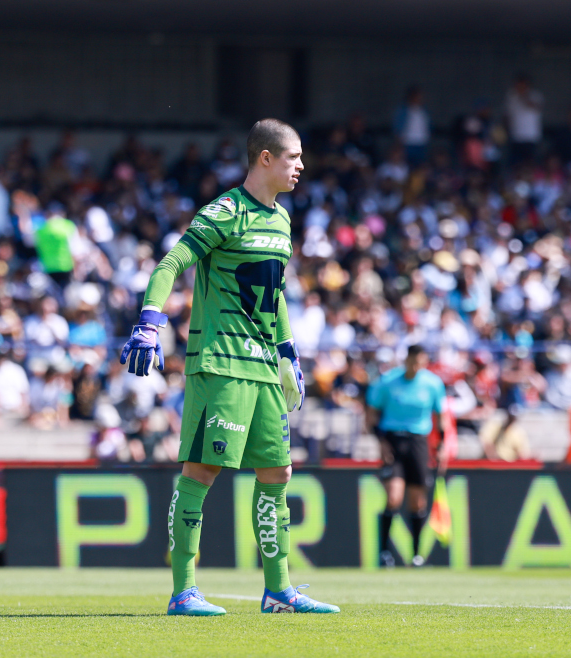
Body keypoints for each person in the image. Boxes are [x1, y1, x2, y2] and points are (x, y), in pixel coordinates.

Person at [120, 119, 337, 616]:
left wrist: (287, 351)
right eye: (293, 157)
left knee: (278, 472)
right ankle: (183, 592)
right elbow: (170, 264)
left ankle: (279, 591)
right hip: (220, 362)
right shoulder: (224, 212)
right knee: (202, 469)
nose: (301, 166)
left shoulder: (281, 220)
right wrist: (150, 322)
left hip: (263, 367)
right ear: (266, 158)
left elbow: (274, 294)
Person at [365, 344, 449, 568]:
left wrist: (441, 445)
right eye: (412, 362)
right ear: (406, 360)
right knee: (393, 497)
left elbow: (441, 416)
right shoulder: (387, 382)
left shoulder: (433, 384)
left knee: (418, 501)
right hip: (393, 441)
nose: (415, 366)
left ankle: (416, 554)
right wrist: (381, 443)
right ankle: (384, 553)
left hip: (419, 442)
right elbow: (371, 415)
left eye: (420, 362)